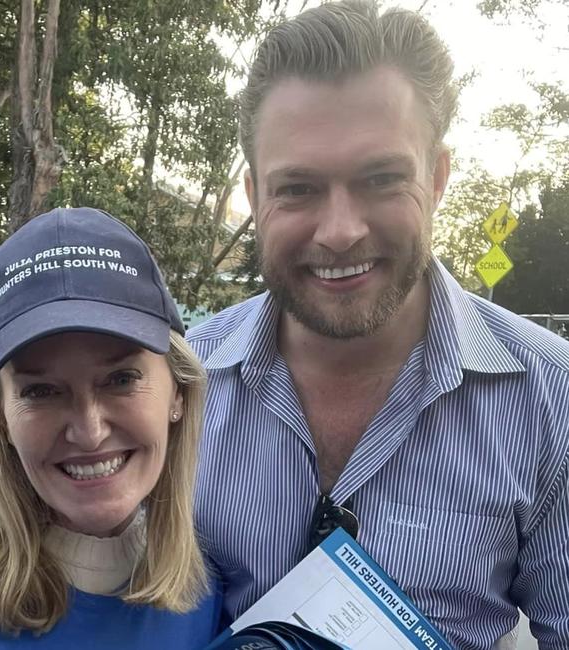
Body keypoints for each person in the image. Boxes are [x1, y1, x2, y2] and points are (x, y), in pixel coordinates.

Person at [187, 2, 569, 648]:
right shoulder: (178, 384)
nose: (340, 232)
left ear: (438, 177)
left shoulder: (551, 400)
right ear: (254, 196)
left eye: (382, 179)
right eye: (299, 189)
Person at [0, 207, 220, 648]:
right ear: (0, 416)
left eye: (121, 379)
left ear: (178, 394)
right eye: (41, 391)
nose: (89, 431)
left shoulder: (202, 594)